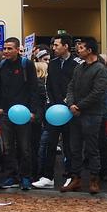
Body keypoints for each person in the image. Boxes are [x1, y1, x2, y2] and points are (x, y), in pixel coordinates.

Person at [0, 37, 41, 189]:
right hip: (5, 113)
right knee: (8, 147)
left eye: (9, 48)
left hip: (23, 113)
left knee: (25, 147)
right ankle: (12, 176)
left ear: (18, 49)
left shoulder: (27, 65)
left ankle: (26, 176)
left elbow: (34, 89)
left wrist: (33, 111)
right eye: (4, 48)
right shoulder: (0, 66)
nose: (6, 51)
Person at [61, 37, 107, 194]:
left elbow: (98, 92)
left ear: (89, 50)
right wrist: (71, 104)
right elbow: (71, 86)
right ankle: (76, 178)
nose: (78, 50)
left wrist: (79, 106)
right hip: (75, 114)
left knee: (92, 148)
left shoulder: (100, 69)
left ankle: (94, 179)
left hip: (92, 114)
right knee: (74, 147)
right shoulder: (79, 68)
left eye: (81, 48)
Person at [33, 35, 79, 189]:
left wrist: (69, 102)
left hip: (70, 110)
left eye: (57, 45)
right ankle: (47, 176)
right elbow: (50, 85)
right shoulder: (52, 64)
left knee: (69, 145)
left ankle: (70, 175)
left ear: (66, 46)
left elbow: (76, 86)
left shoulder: (77, 64)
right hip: (54, 110)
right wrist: (53, 103)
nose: (54, 48)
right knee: (50, 144)